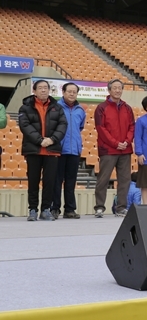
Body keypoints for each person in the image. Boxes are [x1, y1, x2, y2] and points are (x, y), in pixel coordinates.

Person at [19, 79, 67, 221]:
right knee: (33, 181)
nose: (43, 90)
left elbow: (63, 125)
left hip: (52, 150)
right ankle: (32, 209)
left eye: (46, 88)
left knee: (50, 182)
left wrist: (51, 140)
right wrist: (40, 141)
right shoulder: (25, 107)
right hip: (33, 150)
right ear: (34, 91)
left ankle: (45, 209)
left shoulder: (57, 107)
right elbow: (25, 126)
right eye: (40, 88)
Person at [94, 79, 135, 218]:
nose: (117, 90)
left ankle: (121, 207)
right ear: (109, 90)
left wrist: (126, 141)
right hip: (108, 150)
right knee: (103, 179)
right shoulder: (101, 108)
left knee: (124, 180)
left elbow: (132, 126)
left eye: (120, 88)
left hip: (125, 150)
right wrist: (115, 143)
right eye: (115, 88)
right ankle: (99, 207)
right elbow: (101, 129)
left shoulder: (127, 108)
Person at [51, 82, 86, 219]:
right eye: (69, 91)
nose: (72, 94)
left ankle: (70, 209)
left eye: (74, 92)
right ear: (63, 92)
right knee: (57, 180)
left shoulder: (80, 110)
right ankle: (55, 208)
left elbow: (80, 127)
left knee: (71, 181)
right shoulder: (55, 107)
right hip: (59, 149)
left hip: (74, 150)